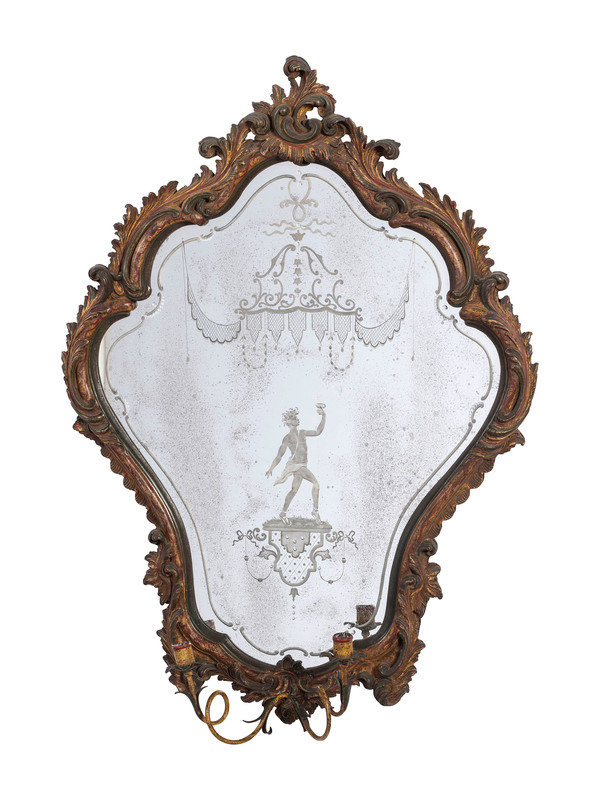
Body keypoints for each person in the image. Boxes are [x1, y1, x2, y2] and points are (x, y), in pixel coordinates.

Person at [266, 405, 326, 524]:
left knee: (293, 490)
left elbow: (318, 432)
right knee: (316, 484)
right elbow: (279, 456)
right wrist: (271, 468)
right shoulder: (287, 438)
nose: (297, 420)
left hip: (303, 464)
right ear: (289, 422)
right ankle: (315, 511)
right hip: (297, 466)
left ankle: (283, 513)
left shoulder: (302, 433)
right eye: (294, 418)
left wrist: (323, 416)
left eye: (296, 418)